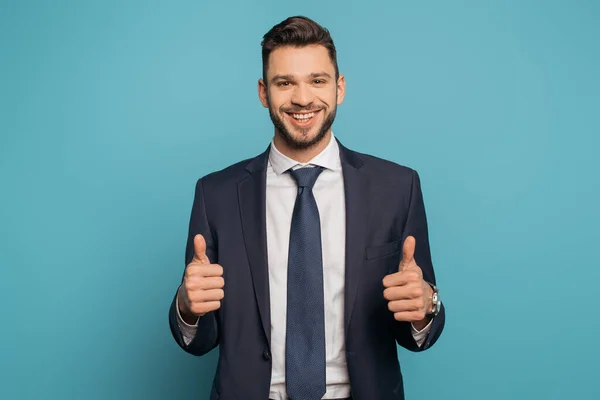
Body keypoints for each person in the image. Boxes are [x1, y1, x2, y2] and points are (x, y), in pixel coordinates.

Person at [168, 15, 445, 400]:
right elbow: (200, 341)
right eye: (285, 83)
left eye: (317, 80)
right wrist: (187, 307)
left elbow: (417, 330)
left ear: (339, 87)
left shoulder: (397, 187)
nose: (302, 98)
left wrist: (424, 308)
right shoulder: (215, 194)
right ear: (264, 92)